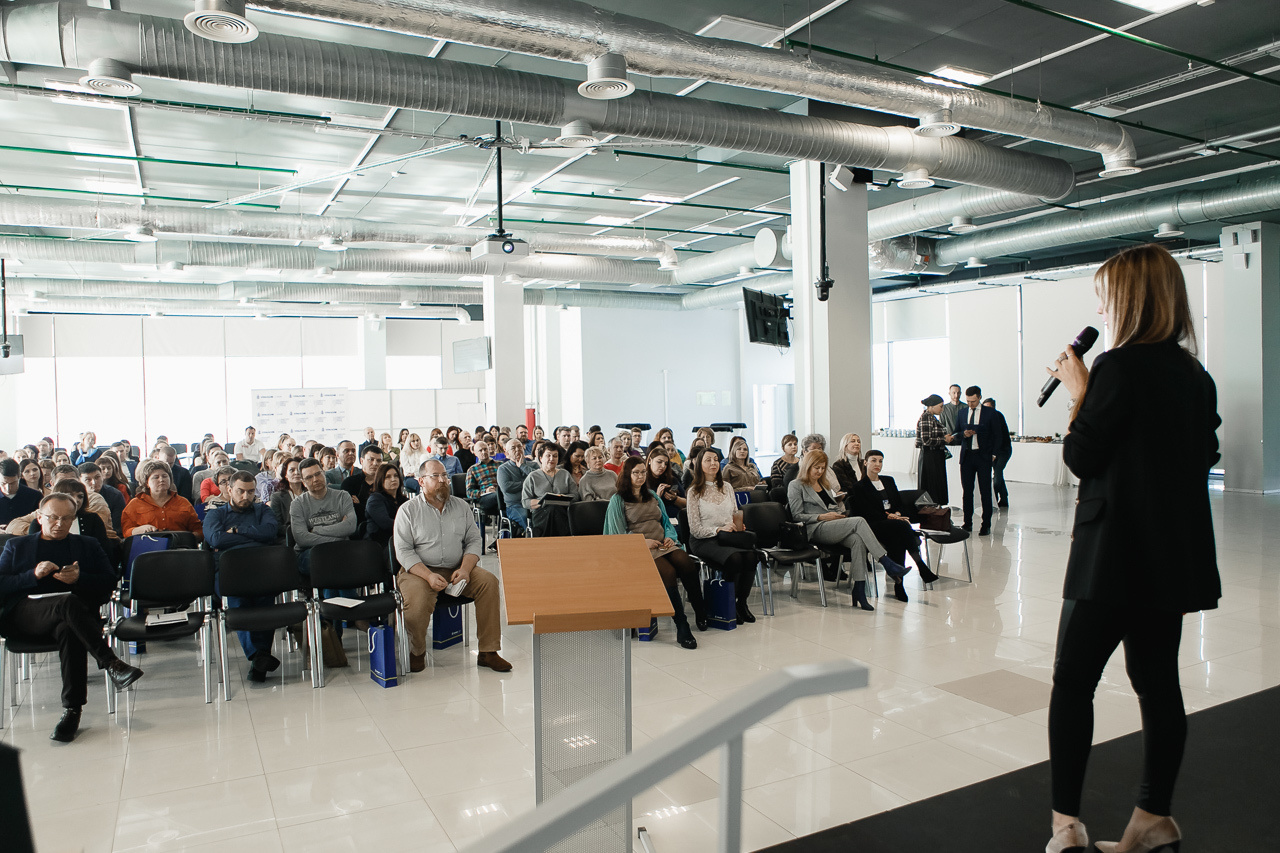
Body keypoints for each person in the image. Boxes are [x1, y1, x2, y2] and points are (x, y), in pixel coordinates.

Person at [1040, 244, 1220, 853]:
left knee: (1072, 682)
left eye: (1107, 293)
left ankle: (1067, 825)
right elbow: (1203, 457)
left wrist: (1079, 389)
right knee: (1157, 682)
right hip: (1171, 555)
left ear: (1133, 299)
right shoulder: (1197, 378)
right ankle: (1153, 818)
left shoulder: (1117, 367)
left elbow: (1082, 455)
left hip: (1111, 554)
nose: (1100, 305)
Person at [0, 494, 144, 742]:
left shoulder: (87, 545)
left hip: (74, 618)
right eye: (53, 518)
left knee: (70, 627)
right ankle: (111, 662)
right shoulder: (17, 546)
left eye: (66, 518)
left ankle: (72, 710)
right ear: (39, 517)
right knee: (67, 604)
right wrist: (32, 575)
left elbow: (110, 581)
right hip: (26, 615)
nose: (59, 523)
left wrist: (80, 578)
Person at [394, 459, 512, 673]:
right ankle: (417, 650)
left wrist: (466, 569)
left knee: (488, 582)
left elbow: (474, 540)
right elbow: (403, 551)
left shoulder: (461, 506)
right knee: (417, 602)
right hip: (419, 572)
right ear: (421, 481)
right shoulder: (408, 510)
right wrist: (429, 576)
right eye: (435, 476)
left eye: (444, 476)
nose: (442, 481)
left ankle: (488, 651)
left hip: (457, 568)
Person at [787, 451, 908, 611]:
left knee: (857, 540)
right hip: (814, 528)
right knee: (859, 520)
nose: (819, 472)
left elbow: (833, 506)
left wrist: (838, 514)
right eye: (816, 468)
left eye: (822, 468)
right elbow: (796, 515)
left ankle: (859, 589)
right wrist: (822, 516)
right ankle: (886, 562)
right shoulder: (796, 485)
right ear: (807, 466)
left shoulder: (823, 484)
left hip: (831, 525)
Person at [604, 457, 704, 649]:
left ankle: (700, 612)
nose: (640, 476)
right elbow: (617, 533)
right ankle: (681, 624)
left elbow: (665, 522)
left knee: (685, 561)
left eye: (643, 472)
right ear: (627, 475)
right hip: (638, 548)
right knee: (668, 572)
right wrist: (641, 541)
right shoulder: (618, 500)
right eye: (636, 473)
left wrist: (669, 537)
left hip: (663, 543)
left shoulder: (652, 495)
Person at [204, 471, 281, 682]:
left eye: (250, 492)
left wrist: (237, 531)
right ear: (229, 490)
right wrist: (254, 537)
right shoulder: (216, 514)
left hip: (261, 568)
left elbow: (270, 532)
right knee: (239, 601)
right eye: (240, 491)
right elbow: (216, 539)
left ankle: (259, 658)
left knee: (266, 603)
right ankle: (259, 656)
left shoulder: (262, 510)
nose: (246, 497)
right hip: (230, 573)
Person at [686, 449, 758, 624]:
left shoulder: (727, 487)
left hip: (729, 537)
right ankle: (729, 603)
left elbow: (734, 512)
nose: (713, 463)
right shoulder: (694, 491)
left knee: (751, 555)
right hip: (705, 539)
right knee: (735, 559)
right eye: (708, 460)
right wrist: (718, 530)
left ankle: (742, 603)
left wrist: (739, 524)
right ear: (699, 465)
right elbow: (695, 529)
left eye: (716, 460)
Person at [855, 450, 938, 593]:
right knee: (901, 528)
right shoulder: (859, 486)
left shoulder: (888, 480)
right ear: (865, 462)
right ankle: (920, 566)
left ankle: (899, 584)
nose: (877, 464)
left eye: (880, 461)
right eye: (873, 460)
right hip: (873, 525)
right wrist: (890, 517)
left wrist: (897, 514)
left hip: (894, 524)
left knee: (898, 537)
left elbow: (899, 504)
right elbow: (865, 512)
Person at [289, 458, 357, 575]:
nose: (315, 479)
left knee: (341, 559)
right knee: (328, 559)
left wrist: (316, 530)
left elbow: (350, 526)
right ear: (303, 482)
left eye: (317, 474)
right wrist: (337, 539)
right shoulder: (297, 504)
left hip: (341, 550)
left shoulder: (342, 496)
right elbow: (302, 538)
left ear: (324, 473)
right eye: (309, 477)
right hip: (310, 552)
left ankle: (334, 594)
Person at [952, 384, 996, 535]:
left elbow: (997, 435)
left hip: (983, 457)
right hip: (967, 457)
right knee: (967, 491)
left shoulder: (990, 413)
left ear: (980, 398)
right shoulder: (962, 413)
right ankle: (967, 523)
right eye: (968, 401)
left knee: (985, 492)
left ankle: (986, 524)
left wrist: (994, 453)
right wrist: (963, 434)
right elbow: (956, 433)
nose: (970, 404)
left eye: (973, 401)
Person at [121, 461, 203, 541]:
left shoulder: (183, 502)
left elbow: (198, 531)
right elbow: (126, 532)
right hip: (147, 549)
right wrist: (139, 530)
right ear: (147, 483)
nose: (161, 480)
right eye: (156, 477)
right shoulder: (134, 504)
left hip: (179, 549)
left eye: (165, 476)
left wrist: (187, 537)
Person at [521, 444, 578, 536]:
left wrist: (563, 498)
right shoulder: (532, 477)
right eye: (548, 455)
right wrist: (542, 501)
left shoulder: (565, 474)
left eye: (555, 456)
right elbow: (525, 501)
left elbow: (575, 495)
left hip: (563, 511)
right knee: (552, 509)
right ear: (540, 458)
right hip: (541, 513)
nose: (552, 459)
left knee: (556, 509)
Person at [916, 394, 953, 505]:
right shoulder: (926, 417)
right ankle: (933, 512)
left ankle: (936, 511)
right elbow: (926, 440)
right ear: (932, 406)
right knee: (932, 485)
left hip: (935, 455)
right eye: (940, 406)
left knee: (936, 484)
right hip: (930, 456)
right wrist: (944, 439)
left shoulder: (931, 417)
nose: (942, 409)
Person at [497, 438, 537, 534]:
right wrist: (527, 484)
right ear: (507, 453)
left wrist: (523, 466)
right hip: (515, 505)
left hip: (534, 502)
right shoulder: (503, 469)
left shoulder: (533, 465)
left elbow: (538, 480)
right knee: (529, 523)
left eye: (519, 447)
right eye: (513, 448)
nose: (517, 450)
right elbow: (507, 487)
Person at [364, 462, 409, 548]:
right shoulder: (375, 499)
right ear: (380, 480)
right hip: (379, 545)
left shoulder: (403, 500)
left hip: (400, 541)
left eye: (396, 476)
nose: (393, 479)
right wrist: (410, 527)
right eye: (388, 477)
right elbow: (386, 523)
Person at [341, 445, 384, 533]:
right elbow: (351, 512)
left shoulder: (385, 484)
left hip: (382, 527)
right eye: (371, 459)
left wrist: (360, 505)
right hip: (357, 528)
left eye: (378, 460)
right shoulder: (350, 483)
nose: (375, 463)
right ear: (361, 461)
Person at [78, 462, 125, 535]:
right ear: (79, 481)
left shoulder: (115, 495)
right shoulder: (77, 497)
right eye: (88, 480)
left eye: (97, 477)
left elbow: (118, 525)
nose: (94, 482)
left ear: (102, 476)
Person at [983, 397, 1014, 508]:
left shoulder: (998, 416)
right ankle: (1004, 499)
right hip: (994, 451)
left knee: (997, 474)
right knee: (998, 474)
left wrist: (994, 454)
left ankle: (994, 499)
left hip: (1003, 450)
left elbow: (999, 437)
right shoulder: (985, 418)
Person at [465, 440, 502, 521]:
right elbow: (469, 492)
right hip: (485, 497)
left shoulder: (500, 465)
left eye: (485, 449)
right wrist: (485, 491)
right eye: (480, 450)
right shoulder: (472, 469)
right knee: (500, 497)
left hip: (501, 492)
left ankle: (509, 527)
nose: (484, 452)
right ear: (475, 453)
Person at [0, 459, 43, 525]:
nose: (8, 488)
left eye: (13, 483)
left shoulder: (35, 496)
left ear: (19, 477)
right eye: (3, 483)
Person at [269, 457, 304, 534]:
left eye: (299, 469)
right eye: (292, 470)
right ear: (285, 475)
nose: (297, 472)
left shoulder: (311, 493)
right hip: (290, 535)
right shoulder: (277, 497)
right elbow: (277, 525)